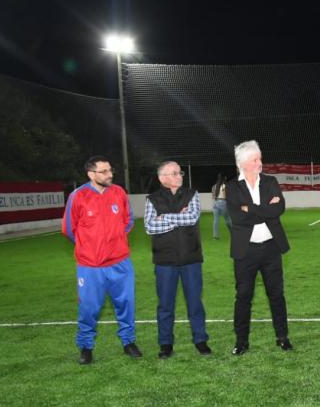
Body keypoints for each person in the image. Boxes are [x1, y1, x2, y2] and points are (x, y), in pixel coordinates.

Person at [62, 155, 141, 364]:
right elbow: (69, 230)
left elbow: (128, 220)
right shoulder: (78, 196)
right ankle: (86, 347)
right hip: (91, 266)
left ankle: (128, 342)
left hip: (120, 262)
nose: (110, 174)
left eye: (110, 170)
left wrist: (115, 240)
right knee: (89, 308)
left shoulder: (118, 192)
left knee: (126, 304)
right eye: (104, 171)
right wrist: (89, 246)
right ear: (91, 174)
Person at [226, 140, 292, 355]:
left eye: (259, 158)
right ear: (243, 164)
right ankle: (241, 341)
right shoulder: (233, 187)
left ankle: (282, 337)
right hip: (245, 252)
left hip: (271, 248)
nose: (260, 162)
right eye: (255, 159)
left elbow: (278, 209)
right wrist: (264, 209)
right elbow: (237, 217)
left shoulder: (271, 181)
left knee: (277, 294)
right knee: (243, 296)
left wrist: (250, 209)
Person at [144, 161, 211, 358]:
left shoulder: (192, 194)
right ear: (162, 178)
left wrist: (163, 217)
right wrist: (176, 218)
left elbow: (191, 218)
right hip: (164, 261)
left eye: (180, 172)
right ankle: (165, 344)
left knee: (195, 303)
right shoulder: (152, 199)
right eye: (174, 173)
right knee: (165, 305)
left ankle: (201, 340)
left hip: (191, 258)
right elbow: (149, 227)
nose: (180, 176)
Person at [211, 173, 231, 238]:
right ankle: (233, 232)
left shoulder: (214, 186)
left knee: (215, 220)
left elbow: (213, 197)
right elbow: (227, 196)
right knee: (227, 219)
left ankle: (215, 236)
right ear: (224, 178)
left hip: (215, 203)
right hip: (223, 202)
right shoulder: (225, 186)